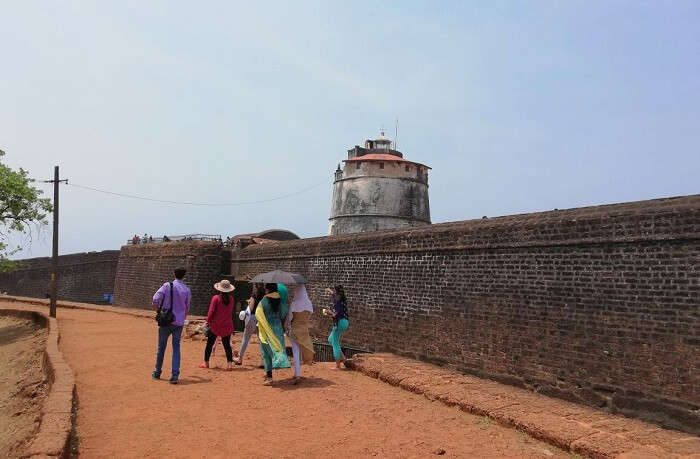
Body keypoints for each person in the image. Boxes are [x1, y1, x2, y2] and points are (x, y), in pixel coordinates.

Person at [152, 267, 191, 384]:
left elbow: (155, 299)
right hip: (178, 323)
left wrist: (158, 310)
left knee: (161, 347)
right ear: (184, 276)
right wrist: (182, 318)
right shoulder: (187, 290)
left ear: (174, 274)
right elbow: (187, 308)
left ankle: (157, 371)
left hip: (165, 321)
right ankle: (174, 375)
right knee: (176, 348)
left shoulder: (167, 286)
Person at [256, 283, 290, 385]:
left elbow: (258, 314)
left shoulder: (264, 301)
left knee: (266, 353)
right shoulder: (280, 301)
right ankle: (270, 372)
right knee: (276, 348)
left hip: (267, 329)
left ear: (268, 290)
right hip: (278, 329)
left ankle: (269, 377)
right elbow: (283, 313)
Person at [200, 279, 236, 370]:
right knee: (227, 345)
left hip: (215, 325)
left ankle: (206, 363)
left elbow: (211, 311)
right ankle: (229, 364)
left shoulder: (216, 298)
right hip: (227, 325)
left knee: (209, 344)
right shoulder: (231, 299)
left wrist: (207, 321)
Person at [286, 284, 315, 384]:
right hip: (304, 330)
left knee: (296, 352)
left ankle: (297, 374)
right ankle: (297, 372)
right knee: (301, 350)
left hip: (295, 330)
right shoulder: (309, 303)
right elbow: (310, 314)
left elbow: (290, 318)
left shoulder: (294, 304)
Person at [233, 283, 264, 366]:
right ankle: (263, 361)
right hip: (261, 318)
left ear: (256, 287)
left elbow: (250, 308)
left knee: (245, 339)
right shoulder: (265, 296)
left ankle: (239, 358)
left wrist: (249, 303)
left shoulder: (254, 295)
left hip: (252, 318)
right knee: (261, 340)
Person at [324, 285, 349, 369]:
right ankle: (343, 359)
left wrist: (329, 312)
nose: (333, 294)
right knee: (331, 340)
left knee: (334, 342)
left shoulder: (338, 303)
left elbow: (335, 315)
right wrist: (329, 290)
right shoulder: (342, 300)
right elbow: (334, 294)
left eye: (335, 292)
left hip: (340, 323)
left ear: (338, 294)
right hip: (344, 322)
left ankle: (338, 365)